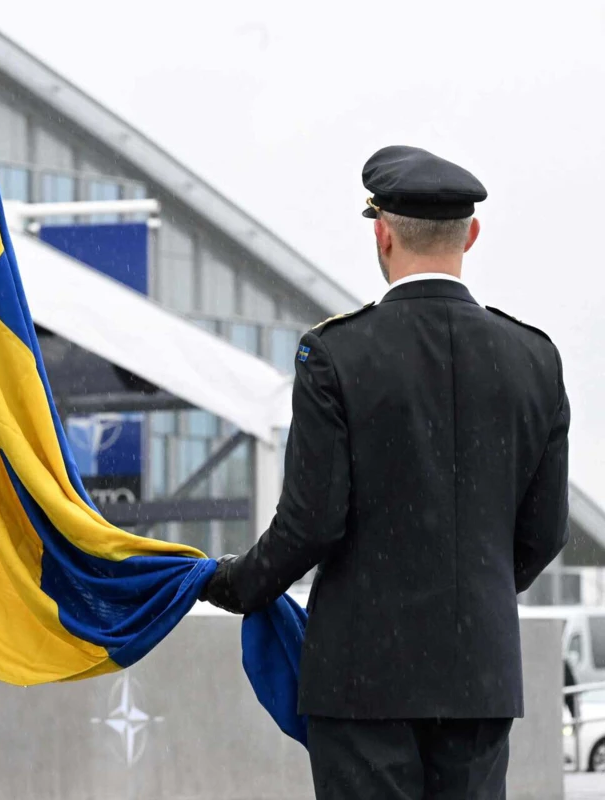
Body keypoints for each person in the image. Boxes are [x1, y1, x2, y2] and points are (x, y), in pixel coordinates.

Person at [201, 145, 569, 799]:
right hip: (478, 675)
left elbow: (311, 522)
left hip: (361, 677)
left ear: (382, 232)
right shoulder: (534, 359)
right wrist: (467, 594)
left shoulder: (336, 353)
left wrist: (237, 582)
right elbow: (544, 534)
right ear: (472, 235)